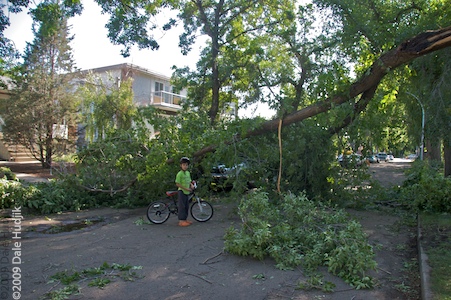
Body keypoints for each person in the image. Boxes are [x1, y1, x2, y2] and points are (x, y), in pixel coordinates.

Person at [175, 157, 194, 227]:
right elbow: (177, 183)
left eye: (186, 165)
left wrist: (191, 185)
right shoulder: (179, 174)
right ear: (181, 165)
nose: (185, 166)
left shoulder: (188, 173)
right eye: (184, 165)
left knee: (186, 206)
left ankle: (185, 219)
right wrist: (186, 188)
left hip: (187, 192)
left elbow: (189, 181)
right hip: (182, 191)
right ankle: (181, 221)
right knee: (182, 206)